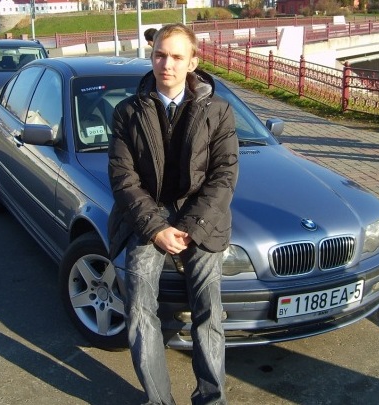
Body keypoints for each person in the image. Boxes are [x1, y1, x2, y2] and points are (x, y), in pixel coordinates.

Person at [108, 23, 239, 405]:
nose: (167, 64)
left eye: (177, 56)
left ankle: (211, 399)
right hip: (146, 218)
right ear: (151, 57)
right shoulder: (127, 112)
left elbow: (224, 176)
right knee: (138, 309)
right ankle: (158, 400)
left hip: (200, 219)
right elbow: (123, 178)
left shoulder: (219, 110)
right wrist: (156, 229)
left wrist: (190, 228)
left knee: (209, 311)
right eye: (160, 55)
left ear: (192, 62)